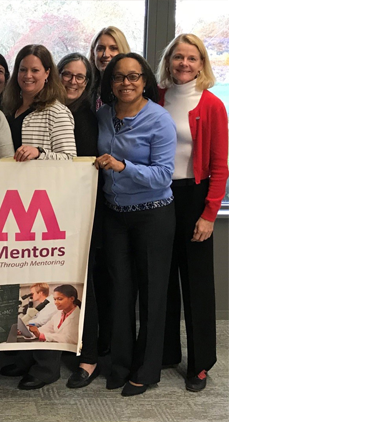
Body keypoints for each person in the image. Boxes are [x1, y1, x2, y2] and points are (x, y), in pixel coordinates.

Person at [94, 53, 177, 397]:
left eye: (133, 76)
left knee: (152, 294)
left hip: (152, 216)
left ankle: (147, 369)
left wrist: (122, 166)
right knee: (120, 293)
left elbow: (163, 174)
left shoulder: (159, 120)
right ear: (110, 83)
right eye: (118, 77)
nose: (125, 83)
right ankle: (120, 364)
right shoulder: (102, 115)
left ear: (144, 81)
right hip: (115, 215)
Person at [155, 33, 228, 393]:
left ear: (202, 63)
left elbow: (219, 166)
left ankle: (200, 364)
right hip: (158, 195)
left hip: (194, 198)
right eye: (178, 57)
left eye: (192, 58)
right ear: (169, 61)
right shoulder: (155, 98)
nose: (184, 64)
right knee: (162, 279)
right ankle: (166, 352)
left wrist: (210, 214)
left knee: (196, 283)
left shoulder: (212, 105)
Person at [56, 53, 107, 389]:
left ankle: (89, 358)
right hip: (54, 213)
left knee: (86, 285)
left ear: (89, 83)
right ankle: (64, 348)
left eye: (81, 77)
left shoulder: (90, 117)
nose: (73, 82)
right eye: (67, 75)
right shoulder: (49, 112)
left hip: (86, 212)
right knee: (62, 284)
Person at [1, 44, 76, 162]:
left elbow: (70, 159)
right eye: (23, 70)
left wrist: (38, 153)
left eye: (35, 70)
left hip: (40, 180)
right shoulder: (9, 108)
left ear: (47, 73)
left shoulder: (58, 113)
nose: (28, 75)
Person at [0, 283, 64, 390]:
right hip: (41, 326)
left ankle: (45, 371)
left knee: (40, 332)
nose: (30, 295)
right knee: (26, 333)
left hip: (51, 330)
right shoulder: (42, 303)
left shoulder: (52, 303)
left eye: (33, 293)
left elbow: (42, 321)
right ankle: (26, 363)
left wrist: (25, 324)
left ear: (40, 292)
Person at [88, 26, 131, 109]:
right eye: (100, 49)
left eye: (113, 48)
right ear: (93, 53)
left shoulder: (130, 87)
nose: (106, 54)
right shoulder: (85, 86)